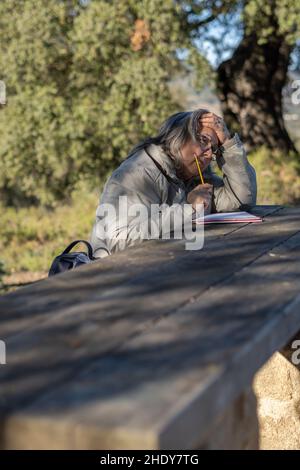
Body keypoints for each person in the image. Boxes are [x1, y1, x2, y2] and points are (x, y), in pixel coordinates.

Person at [90, 109, 257, 258]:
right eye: (203, 140)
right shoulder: (137, 174)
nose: (208, 153)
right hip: (115, 279)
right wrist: (187, 209)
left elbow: (240, 200)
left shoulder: (195, 177)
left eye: (214, 148)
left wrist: (228, 145)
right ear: (178, 136)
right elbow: (119, 243)